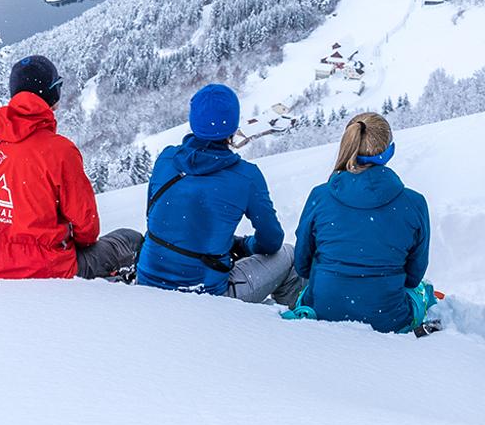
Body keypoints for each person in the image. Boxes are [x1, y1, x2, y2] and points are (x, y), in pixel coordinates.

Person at [0, 55, 143, 281]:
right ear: (51, 93)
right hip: (48, 270)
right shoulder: (59, 151)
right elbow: (87, 229)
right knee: (129, 240)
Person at [137, 84, 302, 307]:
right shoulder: (246, 177)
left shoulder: (166, 159)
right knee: (288, 255)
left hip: (146, 282)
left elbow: (156, 215)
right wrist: (246, 246)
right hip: (208, 296)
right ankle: (298, 324)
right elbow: (272, 242)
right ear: (233, 126)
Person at [290, 113, 433, 333]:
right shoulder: (414, 203)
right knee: (425, 291)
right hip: (388, 321)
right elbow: (414, 277)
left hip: (321, 311)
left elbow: (302, 265)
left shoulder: (320, 196)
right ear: (389, 151)